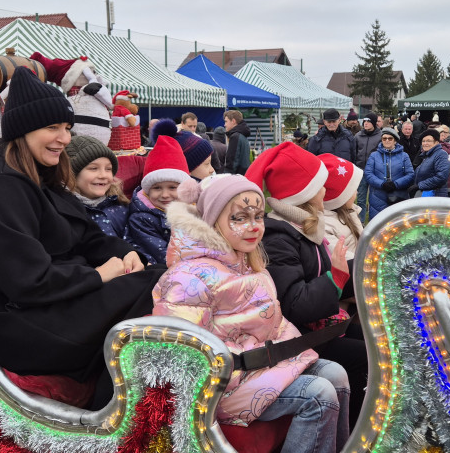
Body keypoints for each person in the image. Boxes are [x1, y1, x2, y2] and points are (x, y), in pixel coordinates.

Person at [0, 68, 161, 408]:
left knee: (159, 276)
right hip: (22, 323)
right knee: (157, 285)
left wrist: (126, 252)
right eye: (52, 127)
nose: (65, 138)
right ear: (22, 131)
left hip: (59, 301)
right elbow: (27, 280)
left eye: (67, 128)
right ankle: (116, 414)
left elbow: (88, 237)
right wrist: (99, 275)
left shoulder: (42, 179)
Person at [153, 174, 350, 452]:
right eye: (239, 218)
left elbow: (274, 328)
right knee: (319, 395)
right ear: (213, 220)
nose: (254, 227)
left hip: (261, 368)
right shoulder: (189, 277)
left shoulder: (251, 265)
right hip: (221, 388)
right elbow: (183, 352)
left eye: (258, 216)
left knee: (336, 373)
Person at [246, 142, 367, 427]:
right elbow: (295, 304)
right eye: (322, 186)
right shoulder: (279, 237)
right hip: (296, 338)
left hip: (318, 326)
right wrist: (337, 278)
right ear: (307, 193)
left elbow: (323, 276)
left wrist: (365, 270)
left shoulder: (303, 226)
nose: (327, 192)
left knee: (377, 340)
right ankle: (357, 434)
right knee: (367, 356)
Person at [126, 133, 192, 265]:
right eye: (157, 188)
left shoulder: (193, 209)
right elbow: (165, 255)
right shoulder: (141, 219)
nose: (165, 194)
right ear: (147, 191)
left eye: (172, 187)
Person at [66, 135, 129, 238]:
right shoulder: (66, 210)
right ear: (72, 174)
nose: (103, 175)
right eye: (93, 168)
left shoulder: (121, 207)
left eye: (108, 169)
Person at [318, 153, 364, 267]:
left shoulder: (350, 211)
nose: (357, 193)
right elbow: (343, 258)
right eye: (353, 190)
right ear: (340, 197)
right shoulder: (324, 226)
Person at [363, 128, 415, 220]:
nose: (387, 140)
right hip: (377, 196)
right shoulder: (374, 155)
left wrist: (396, 184)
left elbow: (410, 174)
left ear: (395, 140)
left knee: (398, 225)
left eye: (390, 138)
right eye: (384, 138)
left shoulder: (404, 156)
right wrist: (381, 184)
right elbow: (368, 173)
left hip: (398, 195)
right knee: (378, 225)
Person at [353, 112, 381, 218]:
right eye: (365, 121)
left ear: (374, 123)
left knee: (375, 198)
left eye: (368, 121)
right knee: (361, 198)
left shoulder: (380, 136)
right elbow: (354, 152)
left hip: (374, 172)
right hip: (360, 171)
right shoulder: (358, 136)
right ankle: (360, 222)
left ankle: (374, 220)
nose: (366, 123)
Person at [410, 130, 450, 197]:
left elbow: (441, 177)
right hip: (425, 194)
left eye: (428, 141)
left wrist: (420, 185)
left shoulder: (441, 154)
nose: (425, 143)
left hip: (435, 196)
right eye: (423, 141)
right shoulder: (427, 156)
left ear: (436, 142)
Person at [224, 110, 252, 175]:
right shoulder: (242, 136)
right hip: (243, 175)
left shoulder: (235, 137)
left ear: (233, 121)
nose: (224, 125)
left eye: (226, 121)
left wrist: (227, 177)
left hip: (235, 177)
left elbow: (232, 162)